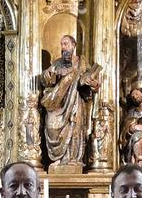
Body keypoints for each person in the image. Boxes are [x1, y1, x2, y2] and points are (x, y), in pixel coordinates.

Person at [39, 35, 100, 169]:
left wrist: (93, 84)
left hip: (76, 101)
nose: (63, 47)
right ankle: (59, 158)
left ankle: (73, 159)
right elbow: (46, 79)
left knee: (75, 128)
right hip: (59, 103)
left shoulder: (82, 63)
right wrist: (48, 76)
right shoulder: (57, 63)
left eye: (66, 44)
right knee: (51, 126)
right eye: (61, 44)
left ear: (73, 45)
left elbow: (93, 82)